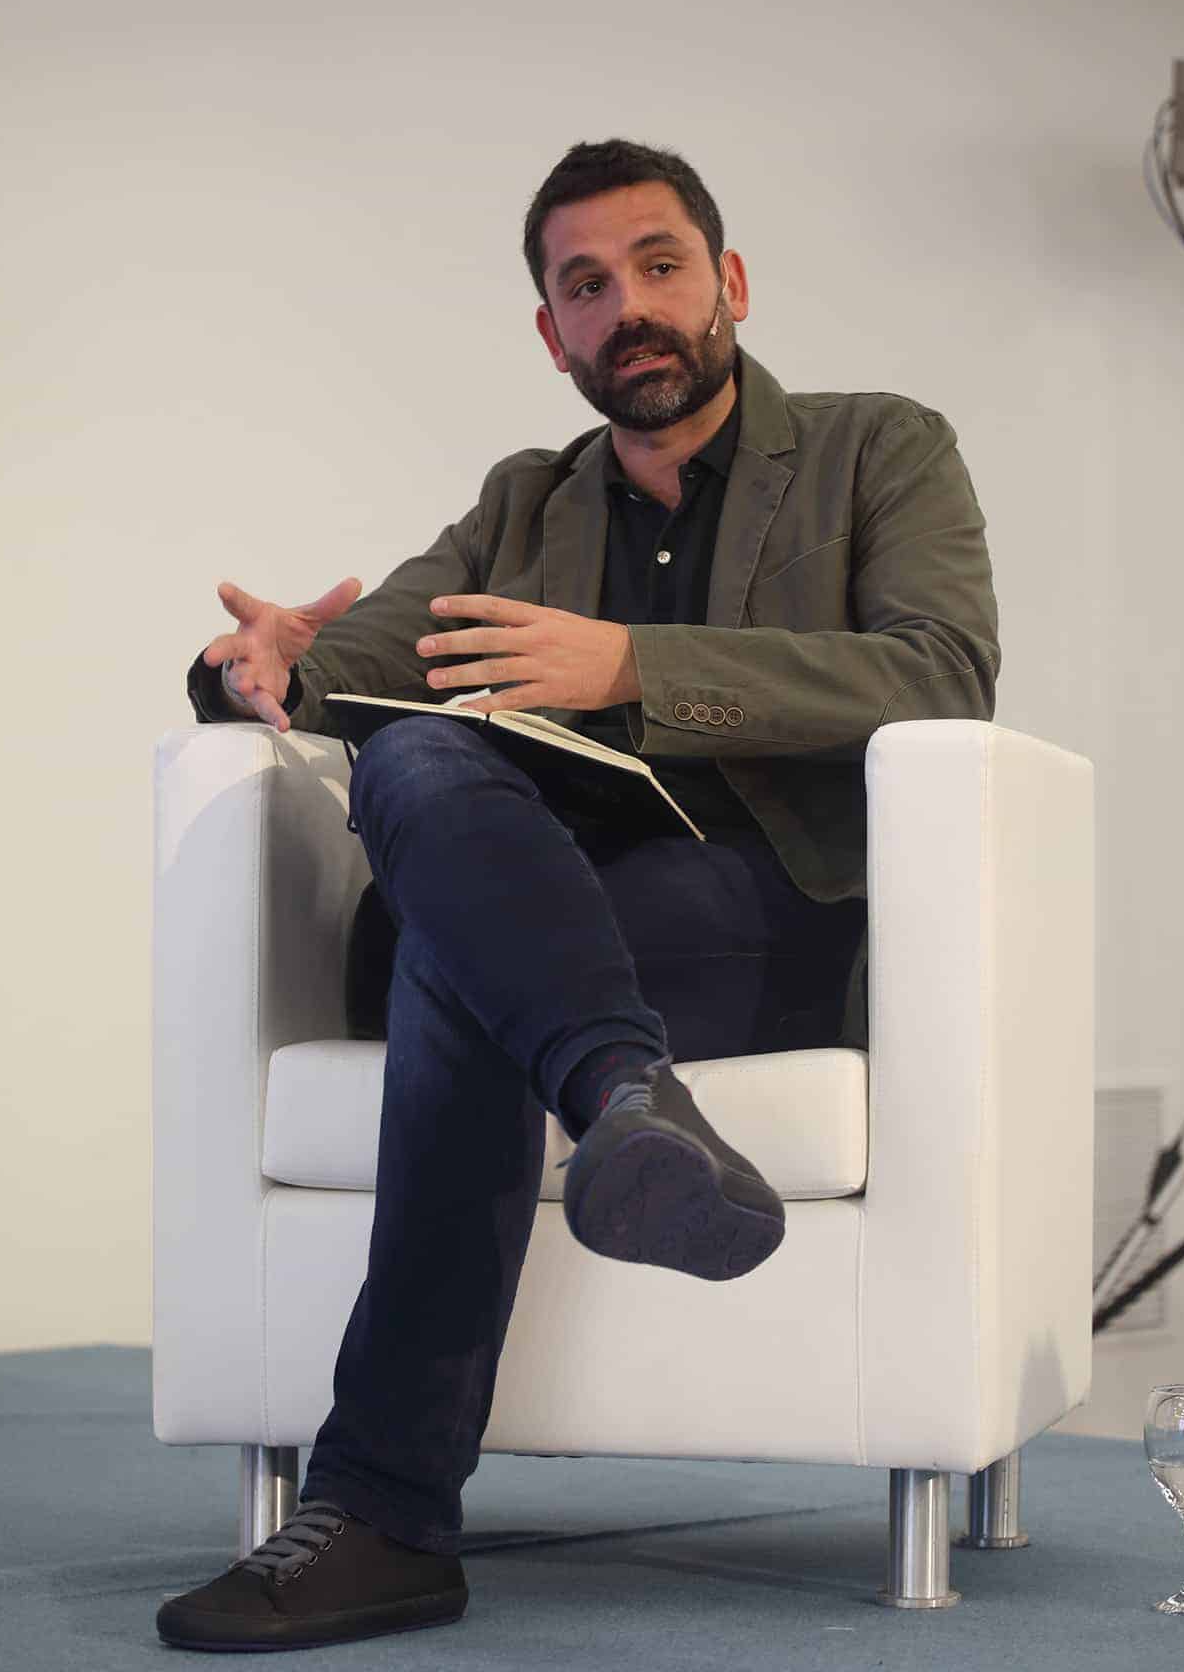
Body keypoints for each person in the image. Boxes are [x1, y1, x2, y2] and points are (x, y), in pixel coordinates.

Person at [156, 137, 1000, 1653]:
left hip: (749, 918)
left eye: (660, 266)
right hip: (547, 912)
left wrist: (633, 667)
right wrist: (260, 666)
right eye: (588, 286)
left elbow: (941, 670)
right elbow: (364, 659)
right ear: (553, 335)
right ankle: (624, 1096)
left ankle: (385, 1517)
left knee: (459, 973)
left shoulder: (877, 448)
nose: (631, 309)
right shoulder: (524, 502)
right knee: (414, 755)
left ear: (729, 282)